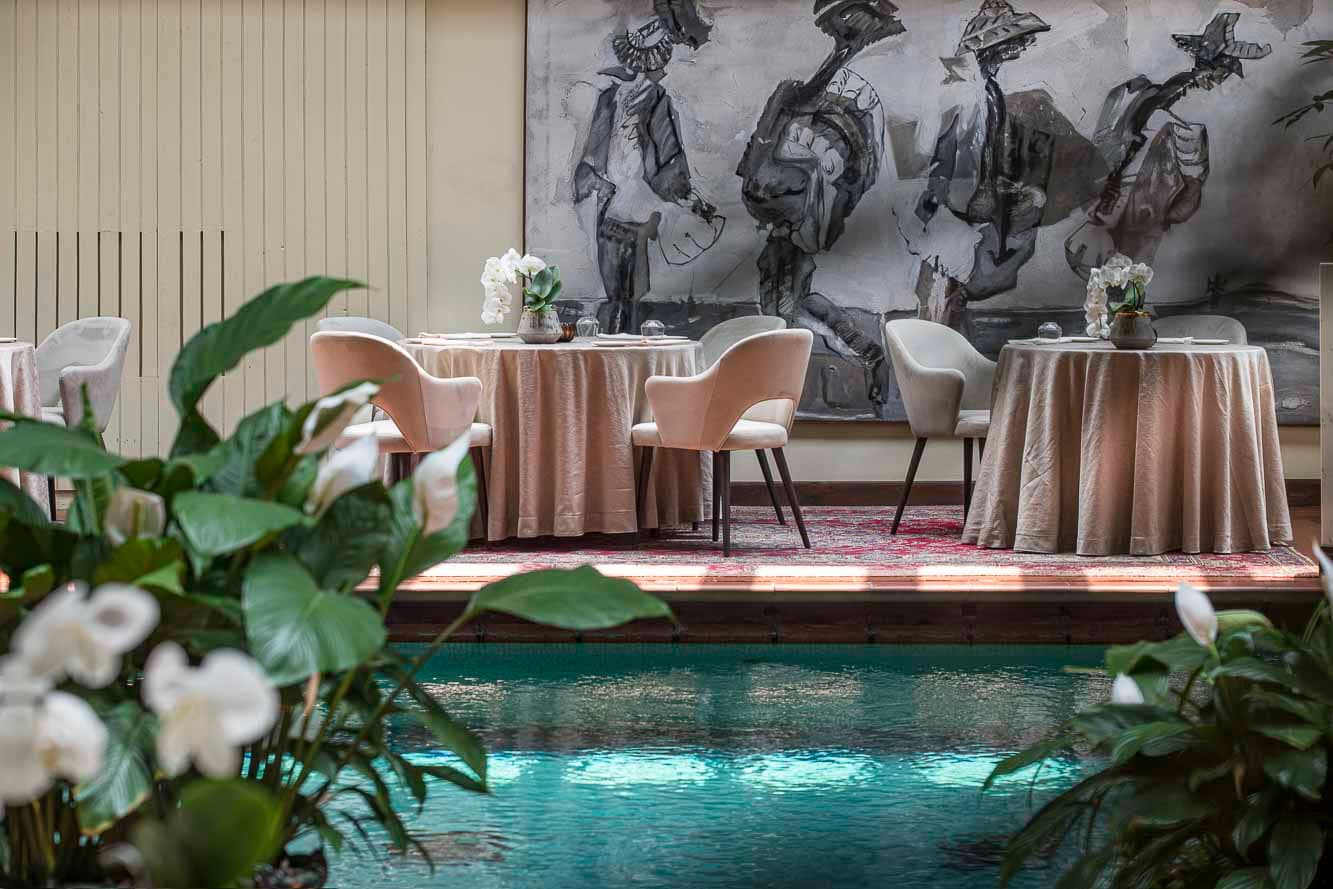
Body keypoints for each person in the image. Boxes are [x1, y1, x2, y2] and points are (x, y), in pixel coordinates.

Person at [736, 0, 906, 406]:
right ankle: (860, 355)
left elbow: (846, 169)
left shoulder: (837, 89)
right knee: (787, 302)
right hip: (787, 214)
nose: (834, 29)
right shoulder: (804, 90)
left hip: (799, 214)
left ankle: (862, 356)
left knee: (786, 305)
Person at [1064, 12, 1272, 279]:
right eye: (1221, 71)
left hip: (1143, 154)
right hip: (1152, 164)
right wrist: (1191, 185)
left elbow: (1118, 128)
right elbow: (1188, 162)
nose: (1221, 79)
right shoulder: (1188, 98)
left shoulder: (1166, 89)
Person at [573, 0, 724, 334]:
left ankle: (620, 342)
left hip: (628, 208)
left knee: (625, 292)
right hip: (622, 207)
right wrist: (688, 197)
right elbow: (664, 162)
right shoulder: (631, 100)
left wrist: (684, 195)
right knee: (623, 291)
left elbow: (665, 160)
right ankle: (618, 343)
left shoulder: (637, 99)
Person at [904, 0, 1052, 329]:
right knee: (940, 285)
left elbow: (986, 151)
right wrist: (934, 202)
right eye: (1013, 42)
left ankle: (948, 343)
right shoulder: (954, 83)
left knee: (964, 284)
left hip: (972, 203)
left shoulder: (989, 89)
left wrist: (1005, 187)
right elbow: (932, 147)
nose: (1019, 49)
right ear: (993, 44)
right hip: (943, 203)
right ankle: (930, 345)